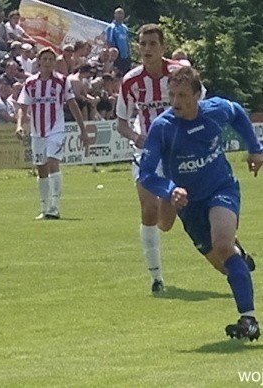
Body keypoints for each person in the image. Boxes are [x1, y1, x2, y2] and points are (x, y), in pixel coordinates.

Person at [139, 66, 262, 340]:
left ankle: (248, 319)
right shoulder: (163, 127)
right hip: (188, 204)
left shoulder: (215, 111)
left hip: (221, 188)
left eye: (182, 95)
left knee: (222, 245)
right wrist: (170, 189)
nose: (176, 102)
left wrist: (255, 148)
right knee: (223, 264)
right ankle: (238, 255)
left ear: (197, 95)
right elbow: (147, 173)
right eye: (172, 95)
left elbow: (238, 113)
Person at [116, 23, 185, 293]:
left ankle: (229, 245)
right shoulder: (130, 81)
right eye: (142, 44)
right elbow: (121, 123)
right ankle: (156, 277)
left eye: (152, 44)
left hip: (177, 153)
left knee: (166, 223)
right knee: (149, 209)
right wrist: (136, 138)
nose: (146, 49)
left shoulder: (180, 74)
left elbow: (199, 107)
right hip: (145, 153)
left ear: (163, 47)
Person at [15, 47, 89, 220]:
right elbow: (23, 106)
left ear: (54, 62)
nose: (47, 62)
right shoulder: (31, 83)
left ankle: (55, 207)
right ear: (39, 62)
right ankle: (44, 207)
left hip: (56, 129)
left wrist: (82, 130)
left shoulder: (62, 82)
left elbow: (72, 104)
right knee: (41, 168)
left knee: (52, 161)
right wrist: (19, 125)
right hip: (37, 131)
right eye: (45, 59)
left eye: (50, 59)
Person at [104, 7, 131, 74]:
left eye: (122, 14)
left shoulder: (125, 28)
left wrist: (129, 55)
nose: (120, 16)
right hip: (116, 57)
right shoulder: (111, 27)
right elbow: (108, 42)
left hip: (125, 57)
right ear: (114, 15)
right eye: (118, 14)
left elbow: (127, 42)